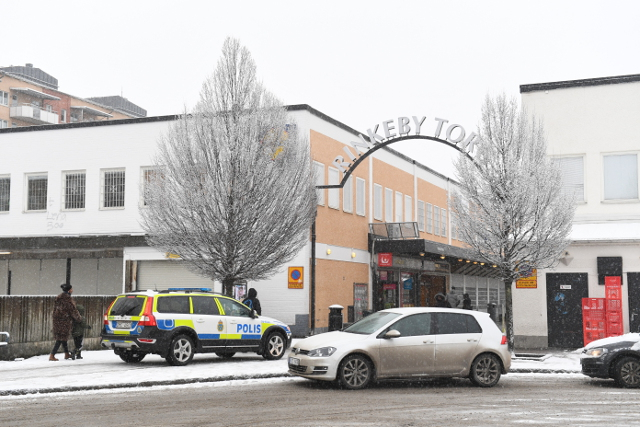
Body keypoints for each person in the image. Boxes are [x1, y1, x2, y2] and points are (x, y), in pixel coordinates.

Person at [50, 283, 81, 361]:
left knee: (63, 338)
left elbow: (55, 310)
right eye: (71, 289)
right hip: (64, 321)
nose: (72, 290)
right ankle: (52, 355)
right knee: (60, 339)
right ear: (69, 290)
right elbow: (73, 310)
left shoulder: (59, 298)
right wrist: (79, 319)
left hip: (57, 321)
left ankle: (66, 354)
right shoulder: (67, 299)